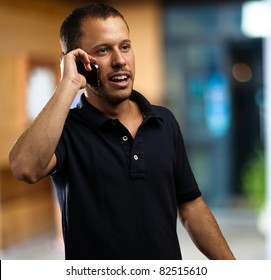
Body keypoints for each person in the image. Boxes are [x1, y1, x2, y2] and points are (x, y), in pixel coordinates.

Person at [9, 3, 235, 260]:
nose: (119, 60)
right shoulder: (65, 130)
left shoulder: (164, 121)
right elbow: (25, 168)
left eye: (125, 46)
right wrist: (68, 84)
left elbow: (191, 205)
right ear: (77, 62)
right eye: (103, 50)